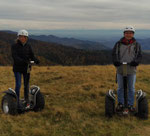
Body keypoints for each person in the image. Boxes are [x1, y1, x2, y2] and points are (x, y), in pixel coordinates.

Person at [112, 26, 142, 112]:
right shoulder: (118, 44)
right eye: (127, 32)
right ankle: (120, 103)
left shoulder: (136, 44)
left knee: (131, 88)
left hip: (131, 68)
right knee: (120, 87)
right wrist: (116, 61)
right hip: (121, 68)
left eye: (130, 33)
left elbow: (139, 55)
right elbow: (114, 54)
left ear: (133, 34)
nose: (128, 34)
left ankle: (130, 104)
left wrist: (136, 61)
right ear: (124, 34)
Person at [11, 29, 39, 109]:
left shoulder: (28, 46)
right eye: (20, 36)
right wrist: (24, 61)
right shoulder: (14, 46)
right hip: (17, 68)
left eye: (24, 37)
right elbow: (15, 57)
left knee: (26, 85)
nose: (22, 38)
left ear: (26, 38)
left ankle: (26, 100)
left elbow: (32, 55)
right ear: (18, 37)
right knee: (18, 84)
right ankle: (17, 100)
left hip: (27, 68)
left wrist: (36, 60)